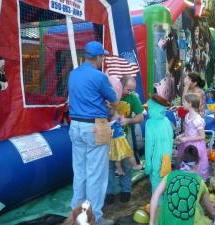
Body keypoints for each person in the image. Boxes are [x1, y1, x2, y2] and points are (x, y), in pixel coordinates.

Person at [68, 41, 117, 225]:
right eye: (102, 56)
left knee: (79, 172)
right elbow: (115, 99)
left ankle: (76, 217)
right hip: (95, 126)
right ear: (96, 57)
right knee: (96, 175)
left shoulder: (73, 74)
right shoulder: (99, 76)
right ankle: (93, 219)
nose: (103, 59)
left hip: (76, 126)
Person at [149, 146, 215, 225]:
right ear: (197, 164)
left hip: (167, 221)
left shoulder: (169, 176)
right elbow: (210, 210)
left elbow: (155, 196)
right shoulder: (200, 182)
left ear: (182, 162)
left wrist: (151, 221)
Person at [106, 75, 144, 204]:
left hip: (124, 136)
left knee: (126, 163)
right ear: (120, 85)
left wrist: (128, 120)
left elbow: (141, 117)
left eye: (132, 90)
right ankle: (109, 192)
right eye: (128, 89)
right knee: (109, 164)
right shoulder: (109, 94)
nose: (130, 92)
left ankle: (126, 190)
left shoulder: (132, 98)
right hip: (107, 135)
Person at [145, 94, 173, 193]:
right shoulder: (166, 120)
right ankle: (165, 202)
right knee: (165, 179)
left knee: (156, 180)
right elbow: (171, 138)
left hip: (155, 158)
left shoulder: (149, 123)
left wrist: (148, 163)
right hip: (167, 156)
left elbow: (149, 146)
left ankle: (157, 204)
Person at [176, 93, 209, 180]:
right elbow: (188, 130)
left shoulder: (197, 119)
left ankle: (197, 181)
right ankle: (186, 178)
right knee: (186, 162)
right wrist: (182, 135)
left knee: (195, 164)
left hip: (196, 146)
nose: (183, 103)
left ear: (190, 103)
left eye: (184, 102)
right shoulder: (187, 116)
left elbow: (202, 136)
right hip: (186, 144)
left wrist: (187, 138)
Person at [109, 106, 143, 176]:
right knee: (130, 153)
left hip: (114, 141)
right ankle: (135, 166)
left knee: (117, 158)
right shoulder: (116, 119)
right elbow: (122, 124)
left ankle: (119, 170)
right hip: (121, 140)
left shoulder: (110, 122)